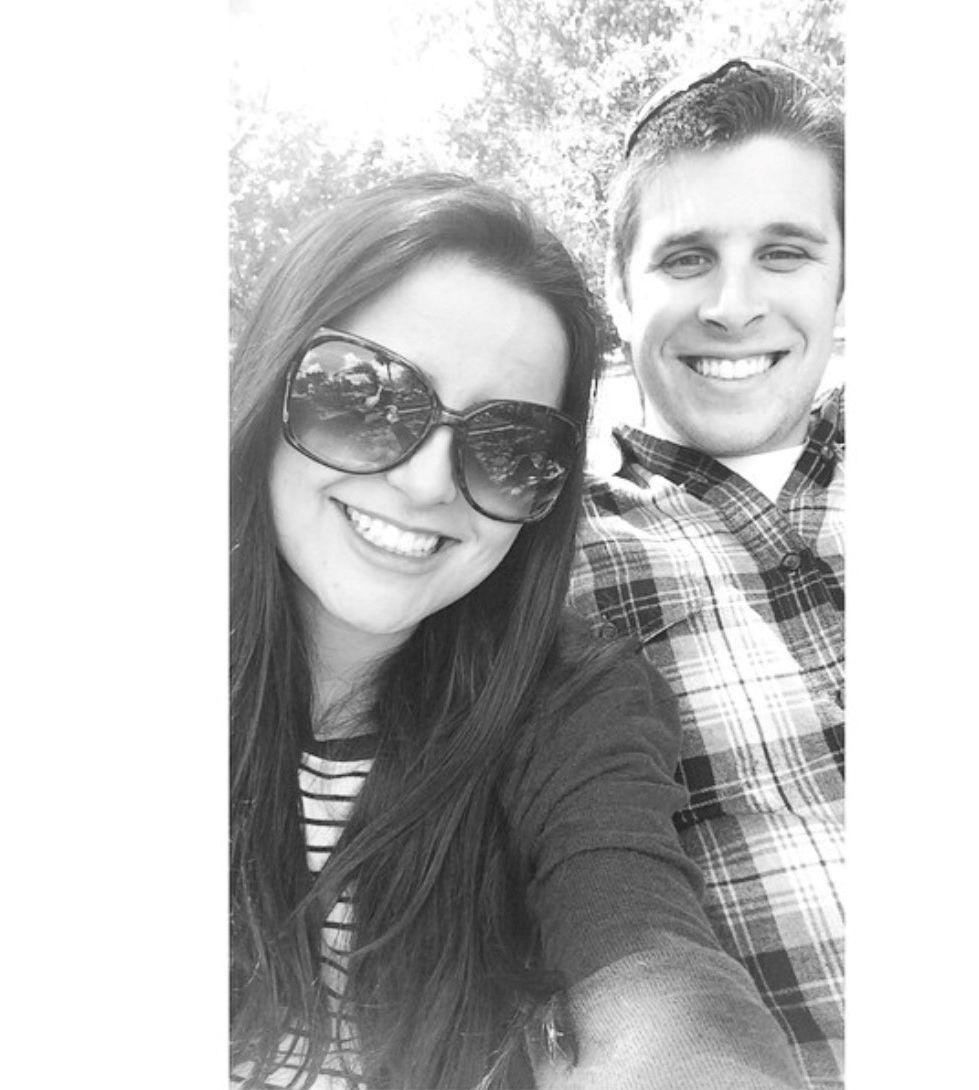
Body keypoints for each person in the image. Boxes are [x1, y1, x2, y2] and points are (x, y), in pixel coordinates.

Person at [229, 174, 806, 1090]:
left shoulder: (574, 703)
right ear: (268, 385)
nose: (426, 483)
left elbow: (641, 935)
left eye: (510, 447)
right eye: (363, 397)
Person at [568, 60, 845, 1090]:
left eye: (784, 252)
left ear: (842, 278)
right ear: (618, 290)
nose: (734, 306)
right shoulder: (546, 550)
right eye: (687, 259)